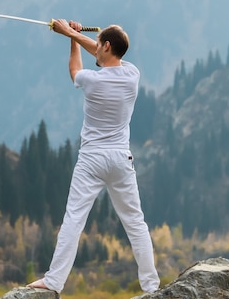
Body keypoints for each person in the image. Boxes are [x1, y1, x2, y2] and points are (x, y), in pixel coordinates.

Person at [27, 19, 160, 294]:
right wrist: (74, 34)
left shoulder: (91, 79)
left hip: (91, 160)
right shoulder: (132, 74)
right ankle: (152, 287)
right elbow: (101, 53)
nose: (95, 49)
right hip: (121, 159)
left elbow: (75, 69)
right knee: (135, 223)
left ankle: (53, 282)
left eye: (99, 45)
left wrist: (70, 37)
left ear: (107, 46)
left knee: (74, 220)